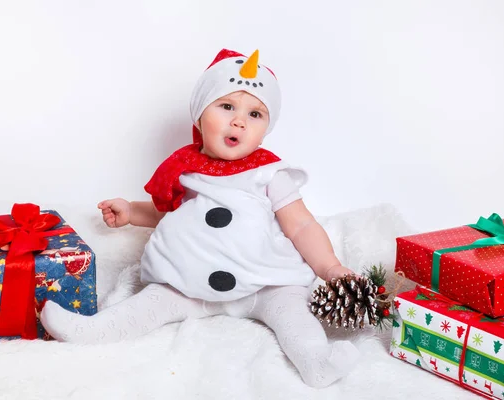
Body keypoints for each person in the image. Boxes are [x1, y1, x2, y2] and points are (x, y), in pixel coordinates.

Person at [41, 48, 360, 388]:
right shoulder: (184, 171)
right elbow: (168, 211)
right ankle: (94, 330)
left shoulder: (269, 174)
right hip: (187, 285)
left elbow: (302, 225)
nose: (239, 121)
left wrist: (330, 268)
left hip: (267, 283)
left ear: (266, 128)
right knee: (149, 304)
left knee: (294, 317)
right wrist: (132, 212)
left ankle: (316, 360)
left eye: (255, 114)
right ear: (198, 115)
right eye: (226, 107)